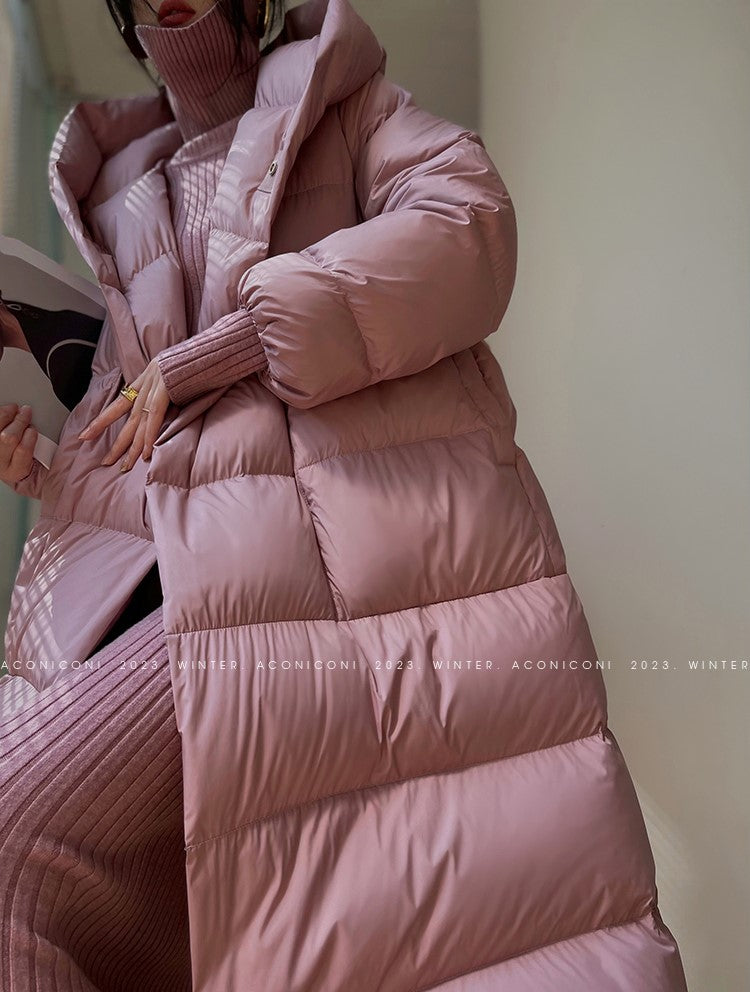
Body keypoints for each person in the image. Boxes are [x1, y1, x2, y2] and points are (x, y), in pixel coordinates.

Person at [0, 0, 689, 989]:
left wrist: (236, 341)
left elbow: (467, 226)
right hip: (178, 574)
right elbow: (147, 426)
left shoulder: (351, 107)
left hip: (338, 565)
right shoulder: (122, 187)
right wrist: (48, 465)